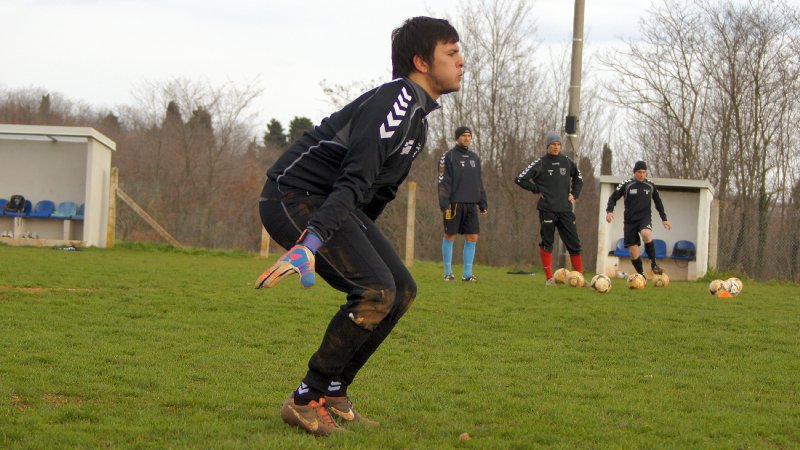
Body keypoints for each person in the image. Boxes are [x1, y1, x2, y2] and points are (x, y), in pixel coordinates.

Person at [254, 17, 463, 436]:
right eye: (452, 53)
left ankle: (333, 391)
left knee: (400, 290)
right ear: (422, 61)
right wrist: (311, 243)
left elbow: (376, 193)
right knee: (376, 290)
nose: (462, 62)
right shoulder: (396, 101)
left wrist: (358, 246)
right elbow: (353, 180)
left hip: (329, 203)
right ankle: (304, 399)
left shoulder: (418, 119)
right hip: (292, 197)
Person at [514, 132, 584, 286]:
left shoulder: (567, 162)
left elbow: (579, 179)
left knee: (574, 244)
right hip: (547, 209)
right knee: (547, 243)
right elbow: (519, 179)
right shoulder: (540, 163)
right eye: (553, 144)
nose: (556, 147)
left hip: (565, 210)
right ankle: (549, 279)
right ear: (547, 146)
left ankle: (580, 278)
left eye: (558, 144)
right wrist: (536, 189)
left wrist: (574, 194)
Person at [438, 126, 488, 282]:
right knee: (450, 235)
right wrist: (444, 204)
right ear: (457, 138)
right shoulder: (448, 157)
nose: (467, 138)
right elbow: (443, 182)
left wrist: (483, 203)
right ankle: (448, 272)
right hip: (453, 204)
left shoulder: (475, 158)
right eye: (463, 135)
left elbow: (479, 182)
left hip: (471, 205)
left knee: (472, 237)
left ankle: (467, 274)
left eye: (469, 136)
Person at [605, 160, 672, 277]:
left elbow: (658, 202)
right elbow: (613, 198)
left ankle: (654, 264)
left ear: (646, 173)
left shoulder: (650, 185)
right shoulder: (627, 184)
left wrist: (664, 219)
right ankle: (642, 275)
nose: (641, 174)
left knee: (646, 234)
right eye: (639, 172)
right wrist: (609, 211)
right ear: (634, 172)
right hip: (630, 222)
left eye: (644, 172)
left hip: (644, 218)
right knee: (633, 253)